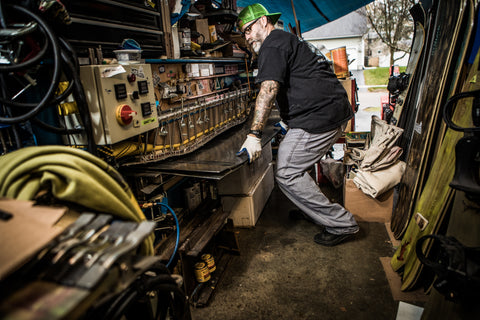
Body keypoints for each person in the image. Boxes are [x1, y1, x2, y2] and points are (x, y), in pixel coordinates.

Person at [236, 3, 359, 246]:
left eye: (249, 29)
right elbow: (303, 80)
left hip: (320, 117)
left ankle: (342, 223)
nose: (247, 37)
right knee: (297, 166)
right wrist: (285, 121)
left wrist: (254, 134)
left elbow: (269, 89)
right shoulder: (285, 40)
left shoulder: (271, 44)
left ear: (263, 21)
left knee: (286, 172)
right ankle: (315, 210)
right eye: (244, 33)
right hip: (331, 111)